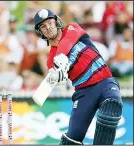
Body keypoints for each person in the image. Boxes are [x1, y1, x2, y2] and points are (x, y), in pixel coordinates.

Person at [33, 8, 123, 145]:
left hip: (105, 83)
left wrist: (61, 58)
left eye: (50, 23)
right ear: (40, 32)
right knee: (71, 140)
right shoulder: (51, 60)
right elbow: (58, 79)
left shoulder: (72, 28)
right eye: (43, 27)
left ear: (56, 22)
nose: (48, 28)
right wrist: (58, 76)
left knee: (112, 106)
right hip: (84, 93)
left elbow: (66, 42)